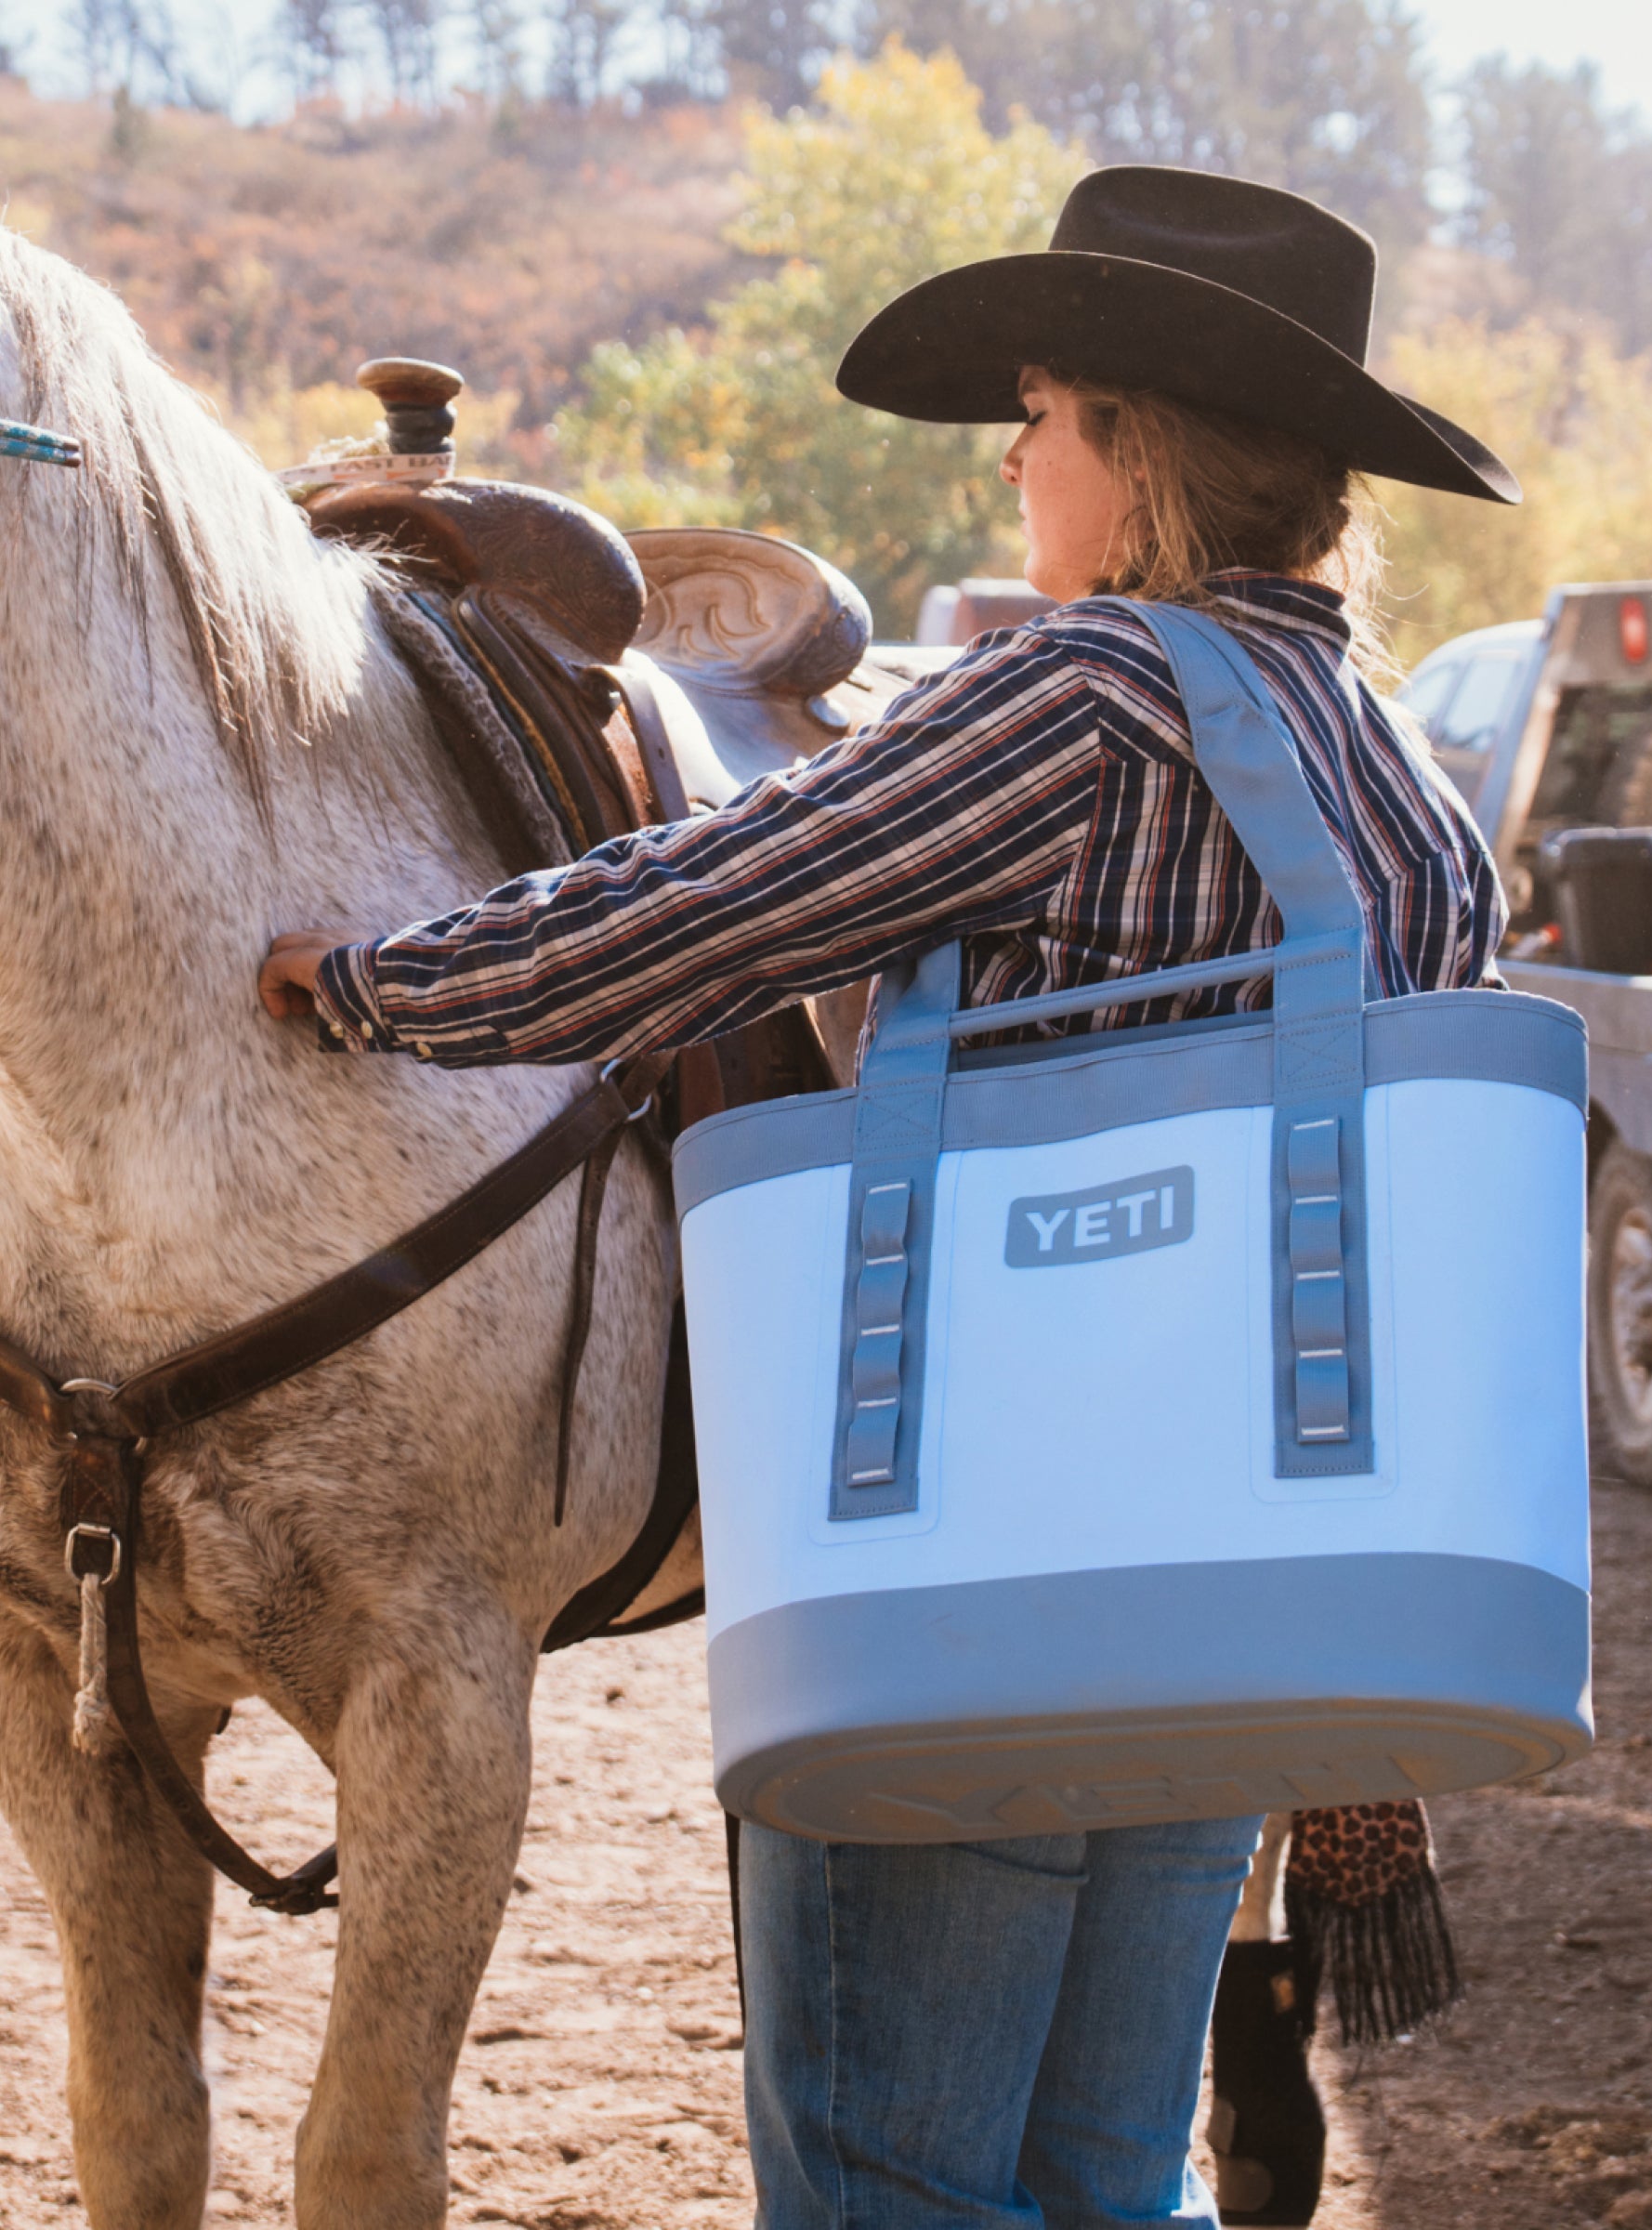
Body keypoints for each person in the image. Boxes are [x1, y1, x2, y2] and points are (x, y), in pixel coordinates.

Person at [260, 163, 1517, 2230]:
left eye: (1045, 414)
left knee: (893, 2183)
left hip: (980, 1573)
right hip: (1244, 1587)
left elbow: (719, 904)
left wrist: (389, 981)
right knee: (1111, 2170)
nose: (1016, 458)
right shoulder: (1405, 780)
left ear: (1143, 457)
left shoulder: (1084, 695)